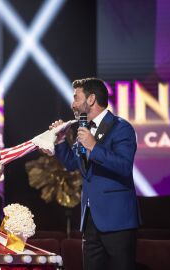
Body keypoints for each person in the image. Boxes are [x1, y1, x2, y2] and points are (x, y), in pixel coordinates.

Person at [50, 78, 140, 270]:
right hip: (90, 219)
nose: (72, 103)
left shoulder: (121, 128)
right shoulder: (85, 129)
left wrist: (93, 146)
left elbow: (124, 166)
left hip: (117, 220)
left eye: (76, 97)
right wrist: (60, 141)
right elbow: (76, 164)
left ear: (91, 99)